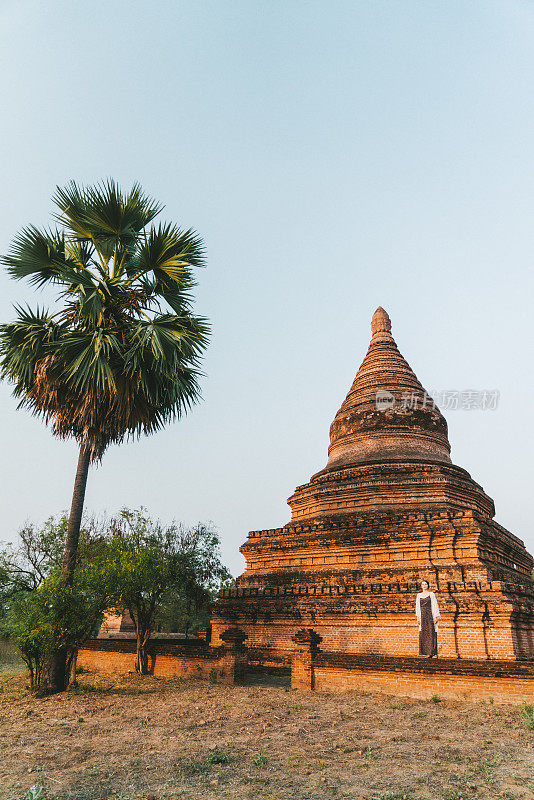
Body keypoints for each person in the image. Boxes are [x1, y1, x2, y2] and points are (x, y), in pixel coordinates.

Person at [415, 579, 440, 657]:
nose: (424, 586)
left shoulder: (431, 594)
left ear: (428, 585)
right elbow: (417, 607)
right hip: (423, 616)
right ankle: (428, 652)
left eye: (425, 584)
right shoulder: (419, 595)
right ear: (421, 586)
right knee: (424, 634)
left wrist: (435, 616)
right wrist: (418, 618)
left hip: (430, 615)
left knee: (432, 633)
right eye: (423, 584)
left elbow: (434, 605)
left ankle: (434, 653)